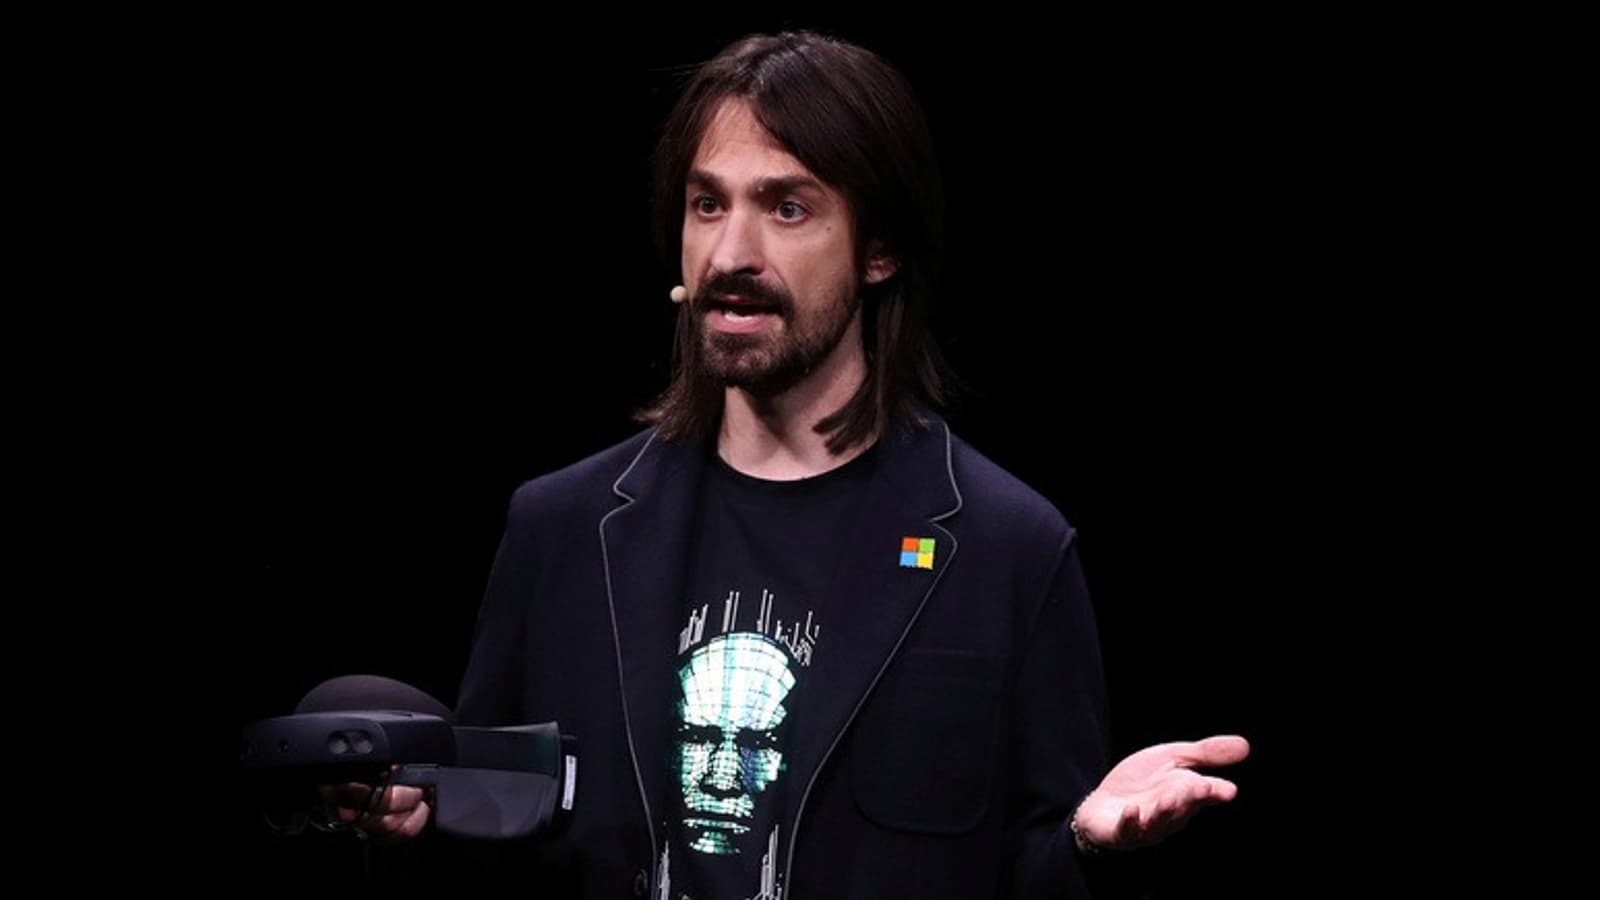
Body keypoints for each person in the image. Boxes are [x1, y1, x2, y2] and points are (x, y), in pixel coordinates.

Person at [327, 30, 1249, 898]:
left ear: (880, 250)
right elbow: (485, 844)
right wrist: (408, 822)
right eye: (708, 204)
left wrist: (1089, 841)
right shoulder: (560, 528)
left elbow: (1030, 866)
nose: (732, 253)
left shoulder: (1008, 549)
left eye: (788, 208)